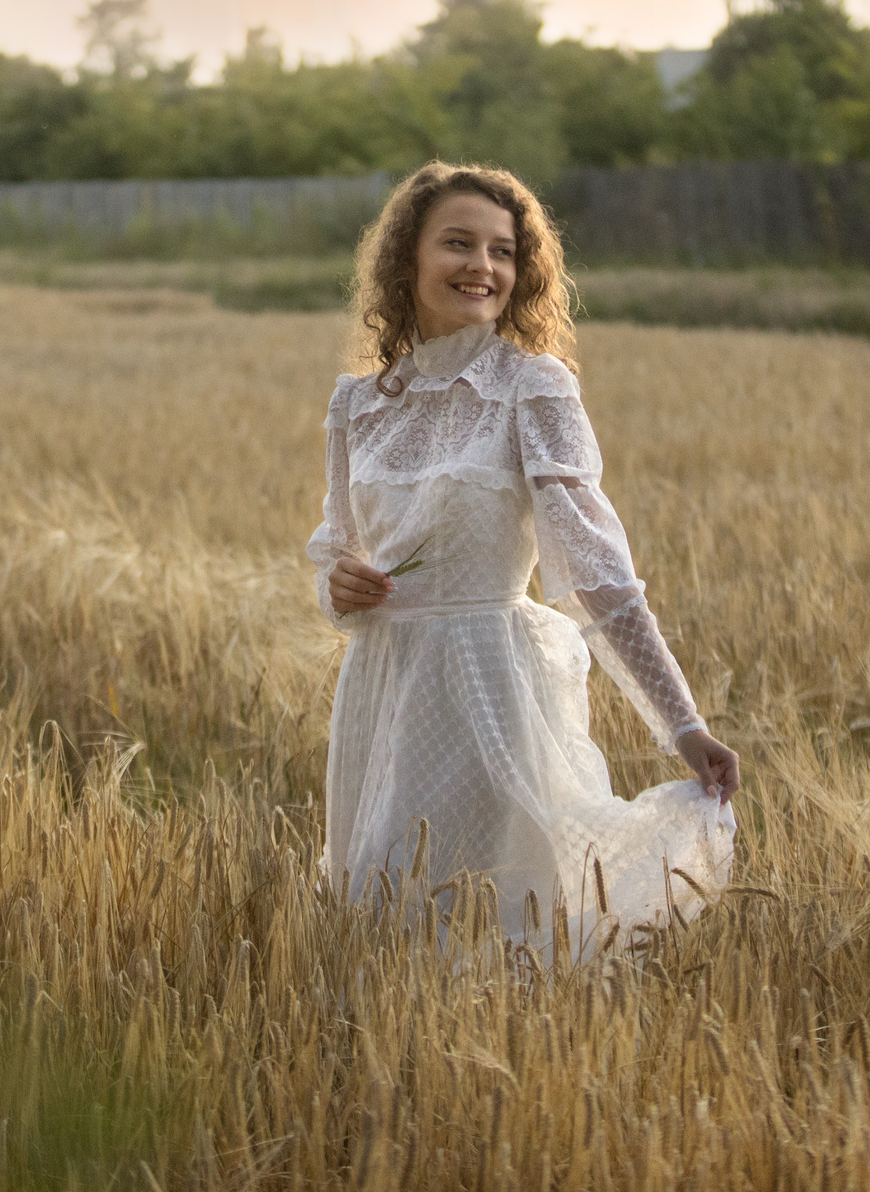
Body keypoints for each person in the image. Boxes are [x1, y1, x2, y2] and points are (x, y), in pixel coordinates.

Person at [307, 162, 739, 950]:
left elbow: (600, 577)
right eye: (459, 243)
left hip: (491, 685)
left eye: (503, 251)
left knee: (498, 917)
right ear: (408, 259)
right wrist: (341, 587)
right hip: (382, 688)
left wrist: (682, 724)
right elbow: (337, 560)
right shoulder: (355, 404)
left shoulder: (533, 388)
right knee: (379, 905)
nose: (483, 266)